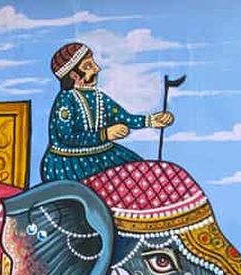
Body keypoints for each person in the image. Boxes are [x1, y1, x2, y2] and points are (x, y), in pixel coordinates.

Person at [41, 43, 174, 182]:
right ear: (74, 75)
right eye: (88, 66)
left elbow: (122, 117)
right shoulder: (65, 101)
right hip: (71, 163)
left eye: (93, 63)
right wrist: (105, 134)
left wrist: (150, 121)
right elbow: (67, 137)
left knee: (142, 175)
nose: (97, 69)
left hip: (103, 154)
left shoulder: (98, 97)